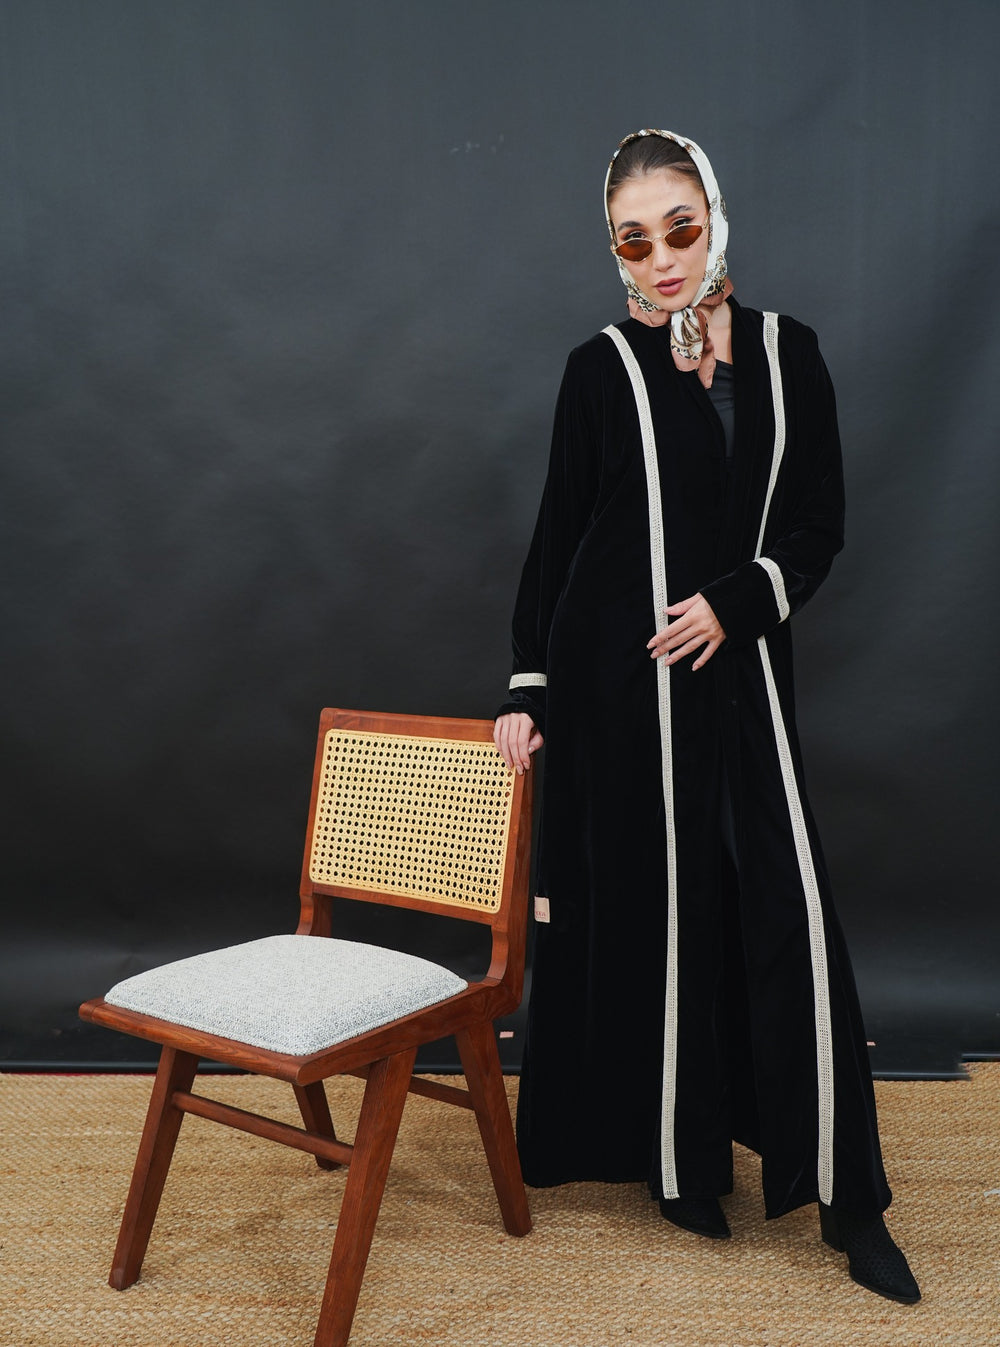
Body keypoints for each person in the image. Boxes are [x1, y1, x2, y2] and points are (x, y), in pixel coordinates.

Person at [493, 128, 919, 1305]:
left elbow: (816, 526)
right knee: (659, 914)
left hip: (744, 683)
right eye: (633, 241)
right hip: (620, 690)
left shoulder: (787, 352)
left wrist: (738, 602)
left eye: (678, 227)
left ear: (715, 216)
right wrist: (529, 684)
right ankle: (679, 1164)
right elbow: (561, 533)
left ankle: (849, 1206)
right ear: (614, 252)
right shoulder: (599, 368)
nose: (662, 258)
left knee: (787, 917)